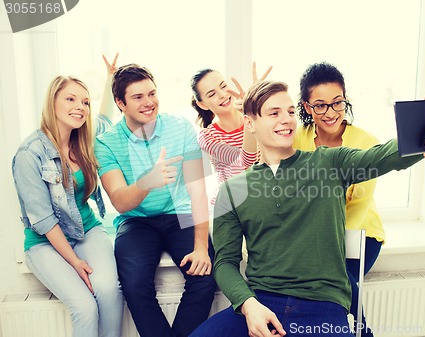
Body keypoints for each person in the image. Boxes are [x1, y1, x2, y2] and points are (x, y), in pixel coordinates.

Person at [189, 80, 425, 337]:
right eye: (274, 113)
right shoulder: (232, 190)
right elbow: (225, 263)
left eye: (289, 111)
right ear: (250, 123)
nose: (286, 120)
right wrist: (249, 305)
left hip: (322, 307)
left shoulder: (330, 163)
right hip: (260, 303)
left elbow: (389, 155)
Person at [293, 62, 425, 337]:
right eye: (320, 105)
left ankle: (364, 333)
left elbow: (359, 205)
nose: (330, 113)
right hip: (310, 236)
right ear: (307, 107)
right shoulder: (296, 140)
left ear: (345, 100)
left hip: (359, 234)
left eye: (337, 103)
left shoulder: (365, 142)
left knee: (339, 281)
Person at [94, 63, 217, 337]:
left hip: (180, 213)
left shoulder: (181, 128)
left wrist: (200, 247)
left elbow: (198, 190)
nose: (149, 102)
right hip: (136, 221)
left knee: (205, 277)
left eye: (152, 93)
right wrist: (147, 182)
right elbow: (120, 202)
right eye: (138, 97)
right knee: (135, 285)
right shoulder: (106, 143)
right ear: (120, 103)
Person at [11, 75, 123, 337]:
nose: (80, 107)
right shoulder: (30, 153)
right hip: (44, 242)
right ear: (52, 103)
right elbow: (43, 220)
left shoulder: (83, 139)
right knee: (85, 306)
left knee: (109, 292)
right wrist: (75, 262)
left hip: (88, 230)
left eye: (85, 102)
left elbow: (105, 119)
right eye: (70, 99)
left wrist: (108, 79)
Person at [191, 63, 271, 209]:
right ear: (202, 105)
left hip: (264, 199)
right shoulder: (207, 137)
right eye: (212, 94)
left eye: (223, 86)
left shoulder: (259, 117)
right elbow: (247, 163)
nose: (222, 94)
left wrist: (258, 99)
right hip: (230, 207)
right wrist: (249, 114)